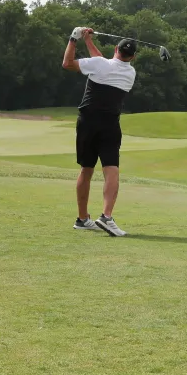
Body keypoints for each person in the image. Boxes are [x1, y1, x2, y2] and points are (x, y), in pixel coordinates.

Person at [61, 27, 137, 237]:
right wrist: (88, 41)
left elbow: (68, 63)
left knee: (87, 170)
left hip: (87, 123)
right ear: (133, 57)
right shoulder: (130, 72)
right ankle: (106, 216)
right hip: (110, 125)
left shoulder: (100, 65)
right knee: (111, 169)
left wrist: (74, 38)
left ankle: (82, 219)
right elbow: (103, 63)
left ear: (115, 49)